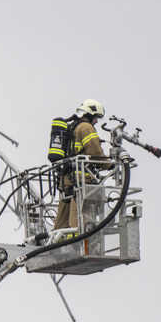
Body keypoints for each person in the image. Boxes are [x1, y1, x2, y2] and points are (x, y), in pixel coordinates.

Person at [53, 99, 112, 232]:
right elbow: (94, 152)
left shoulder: (72, 126)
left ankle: (56, 245)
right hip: (80, 180)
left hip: (66, 179)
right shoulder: (86, 127)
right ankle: (75, 244)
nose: (96, 121)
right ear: (90, 114)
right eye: (96, 117)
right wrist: (109, 165)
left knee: (62, 220)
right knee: (79, 219)